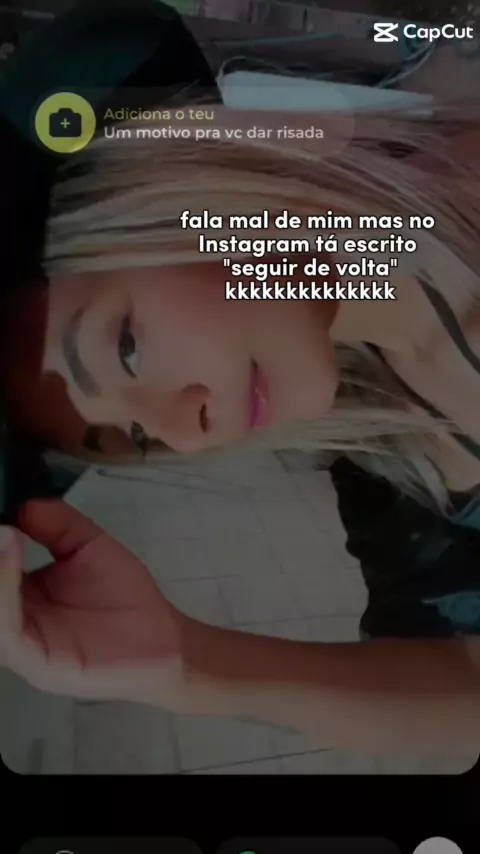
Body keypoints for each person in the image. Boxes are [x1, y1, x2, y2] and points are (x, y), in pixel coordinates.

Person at [1, 0, 480, 754]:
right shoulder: (395, 471)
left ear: (169, 190)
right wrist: (187, 668)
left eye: (126, 349)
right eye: (137, 436)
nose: (188, 430)